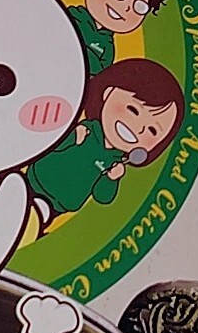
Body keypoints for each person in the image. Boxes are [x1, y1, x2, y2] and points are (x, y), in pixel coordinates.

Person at [25, 58, 185, 217]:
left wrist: (111, 179)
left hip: (60, 207)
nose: (139, 128)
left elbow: (102, 196)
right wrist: (73, 136)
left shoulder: (115, 161)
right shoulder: (85, 130)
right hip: (34, 181)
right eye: (132, 109)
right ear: (108, 93)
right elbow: (51, 145)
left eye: (152, 130)